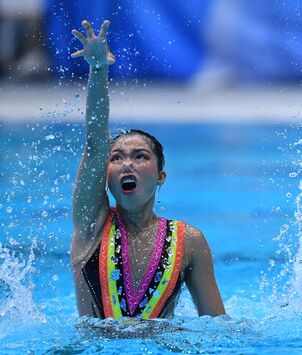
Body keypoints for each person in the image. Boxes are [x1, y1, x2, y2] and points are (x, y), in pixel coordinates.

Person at [70, 19, 225, 319]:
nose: (127, 163)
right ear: (107, 177)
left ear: (161, 176)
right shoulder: (92, 226)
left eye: (140, 156)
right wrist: (99, 69)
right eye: (116, 158)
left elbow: (219, 325)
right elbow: (94, 144)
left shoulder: (189, 241)